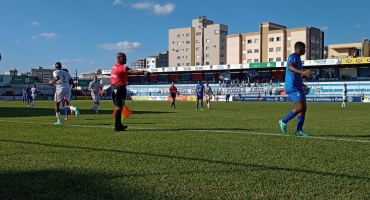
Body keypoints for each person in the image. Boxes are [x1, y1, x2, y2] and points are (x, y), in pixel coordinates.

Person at [279, 41, 312, 137]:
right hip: (292, 87)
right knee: (300, 107)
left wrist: (301, 82)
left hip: (297, 86)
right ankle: (283, 121)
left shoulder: (298, 58)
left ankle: (299, 130)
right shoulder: (293, 56)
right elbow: (290, 67)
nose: (305, 50)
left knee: (304, 108)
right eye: (304, 48)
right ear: (300, 47)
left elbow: (294, 74)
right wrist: (303, 72)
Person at [111, 52, 151, 132]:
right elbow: (132, 71)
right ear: (119, 58)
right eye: (124, 57)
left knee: (119, 106)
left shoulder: (114, 67)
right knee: (119, 106)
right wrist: (143, 72)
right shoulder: (121, 67)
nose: (126, 59)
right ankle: (117, 126)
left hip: (115, 87)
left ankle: (119, 124)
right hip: (119, 87)